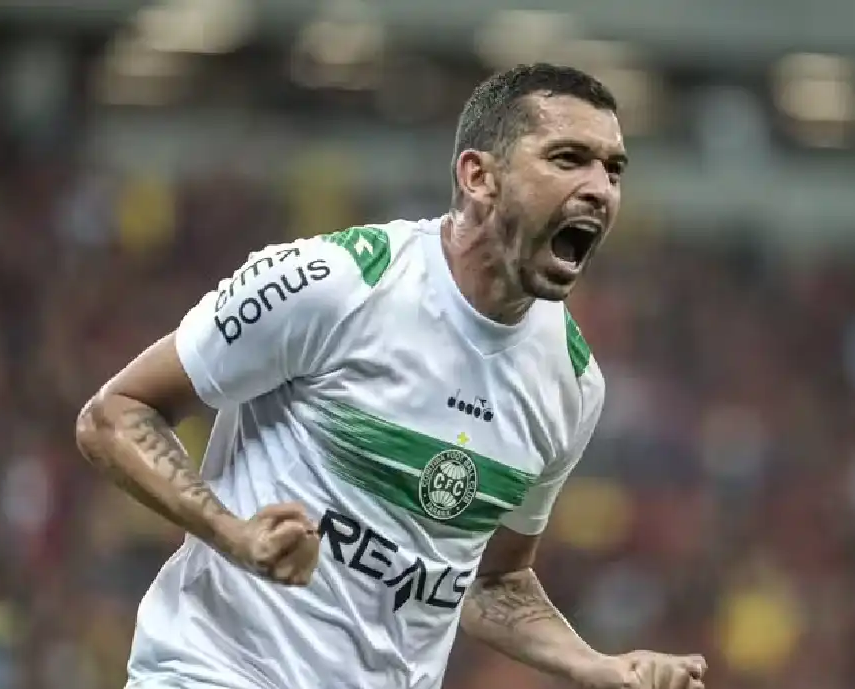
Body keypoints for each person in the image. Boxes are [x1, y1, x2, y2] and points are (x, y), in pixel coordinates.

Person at [76, 62, 707, 689]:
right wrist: (232, 534)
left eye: (613, 168)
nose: (600, 188)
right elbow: (115, 414)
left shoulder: (572, 383)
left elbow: (492, 580)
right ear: (479, 175)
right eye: (568, 159)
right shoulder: (336, 282)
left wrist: (594, 665)